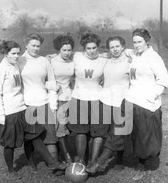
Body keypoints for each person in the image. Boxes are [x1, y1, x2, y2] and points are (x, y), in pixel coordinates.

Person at [0, 40, 65, 176]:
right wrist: (1, 114)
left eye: (18, 53)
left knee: (34, 136)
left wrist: (53, 57)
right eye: (13, 53)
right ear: (5, 53)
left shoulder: (15, 66)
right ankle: (11, 169)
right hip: (9, 112)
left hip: (22, 108)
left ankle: (49, 163)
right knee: (10, 143)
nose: (16, 56)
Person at [18, 33, 67, 173]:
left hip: (44, 102)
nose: (35, 48)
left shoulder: (44, 61)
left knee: (50, 136)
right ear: (26, 45)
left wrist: (52, 106)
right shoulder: (19, 61)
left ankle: (55, 165)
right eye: (33, 45)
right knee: (30, 137)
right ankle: (31, 162)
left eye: (38, 46)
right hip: (26, 104)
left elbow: (51, 83)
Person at [124, 28, 168, 181]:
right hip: (134, 101)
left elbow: (163, 80)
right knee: (135, 135)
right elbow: (122, 52)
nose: (136, 45)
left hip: (148, 104)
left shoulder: (154, 57)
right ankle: (141, 164)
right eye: (134, 42)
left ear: (147, 41)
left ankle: (145, 167)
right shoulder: (134, 54)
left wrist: (151, 97)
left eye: (139, 42)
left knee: (146, 137)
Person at [86, 35, 131, 174]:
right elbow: (91, 55)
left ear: (123, 46)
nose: (115, 49)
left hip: (122, 101)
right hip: (105, 99)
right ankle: (92, 161)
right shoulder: (106, 60)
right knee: (99, 131)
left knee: (117, 133)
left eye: (117, 46)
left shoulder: (130, 60)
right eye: (112, 47)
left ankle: (112, 162)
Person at [67, 32, 109, 169]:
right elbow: (62, 56)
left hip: (98, 98)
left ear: (98, 47)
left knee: (98, 131)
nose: (91, 51)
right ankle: (81, 160)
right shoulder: (77, 57)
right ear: (84, 48)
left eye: (94, 48)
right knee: (81, 131)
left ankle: (93, 161)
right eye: (88, 48)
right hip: (79, 98)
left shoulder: (104, 60)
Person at [50, 34, 76, 164]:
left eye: (69, 50)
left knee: (67, 126)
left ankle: (63, 152)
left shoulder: (73, 62)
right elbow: (44, 80)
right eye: (64, 50)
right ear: (58, 50)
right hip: (56, 98)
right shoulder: (51, 61)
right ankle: (66, 156)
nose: (67, 53)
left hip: (69, 97)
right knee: (60, 126)